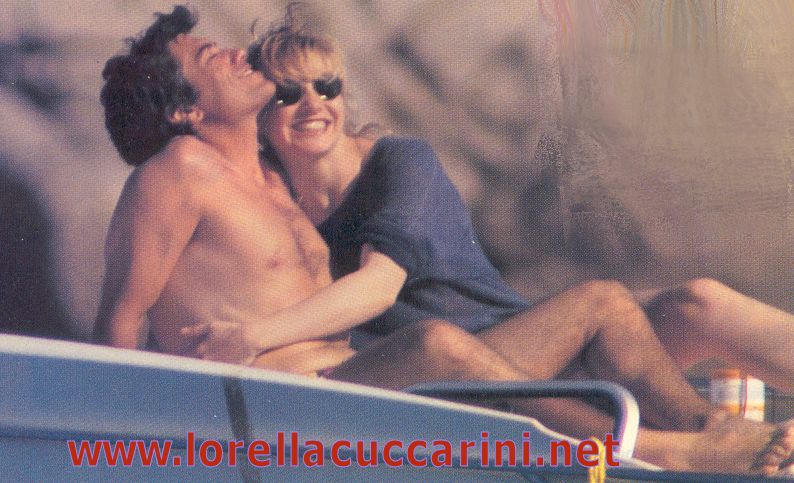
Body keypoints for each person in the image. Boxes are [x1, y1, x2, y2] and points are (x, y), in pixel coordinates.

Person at [95, 6, 793, 475]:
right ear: (184, 109)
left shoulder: (283, 178)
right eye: (212, 58)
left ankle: (713, 430)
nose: (237, 57)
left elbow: (364, 254)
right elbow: (120, 322)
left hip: (382, 373)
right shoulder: (177, 173)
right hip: (300, 401)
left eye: (325, 87)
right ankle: (665, 451)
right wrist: (124, 444)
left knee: (613, 301)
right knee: (437, 344)